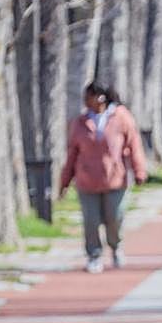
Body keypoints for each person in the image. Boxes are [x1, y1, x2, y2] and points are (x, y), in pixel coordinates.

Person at [59, 81, 147, 274]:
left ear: (100, 98)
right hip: (86, 180)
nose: (85, 101)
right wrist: (65, 181)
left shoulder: (121, 117)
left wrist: (139, 170)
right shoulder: (80, 123)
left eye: (89, 96)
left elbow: (134, 145)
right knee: (91, 220)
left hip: (115, 179)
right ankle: (94, 255)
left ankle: (115, 247)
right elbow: (72, 153)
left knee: (114, 218)